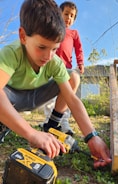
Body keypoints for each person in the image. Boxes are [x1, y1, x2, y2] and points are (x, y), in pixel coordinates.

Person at [0, 0, 111, 168]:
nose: (48, 56)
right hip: (10, 97)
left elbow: (72, 100)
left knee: (72, 76)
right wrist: (31, 134)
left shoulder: (54, 62)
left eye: (54, 49)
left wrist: (92, 136)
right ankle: (5, 121)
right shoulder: (12, 53)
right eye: (42, 47)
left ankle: (51, 123)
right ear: (23, 36)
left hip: (36, 96)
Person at [43, 1, 84, 136]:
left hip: (66, 69)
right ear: (59, 14)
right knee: (50, 99)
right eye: (66, 14)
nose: (69, 18)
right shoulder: (54, 29)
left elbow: (78, 49)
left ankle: (64, 124)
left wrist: (81, 63)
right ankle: (49, 122)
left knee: (67, 96)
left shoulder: (74, 33)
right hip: (50, 68)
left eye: (72, 16)